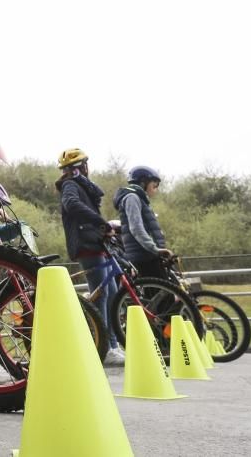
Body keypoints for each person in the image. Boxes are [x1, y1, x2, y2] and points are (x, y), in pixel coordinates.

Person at [56, 149, 125, 365]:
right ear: (81, 166)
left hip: (96, 243)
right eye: (86, 164)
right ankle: (104, 348)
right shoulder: (70, 184)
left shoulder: (83, 185)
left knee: (112, 294)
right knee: (102, 295)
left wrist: (104, 228)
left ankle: (113, 345)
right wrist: (99, 222)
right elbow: (71, 204)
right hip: (87, 244)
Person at [113, 166, 173, 280]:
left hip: (147, 254)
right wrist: (155, 249)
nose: (156, 190)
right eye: (154, 186)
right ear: (143, 182)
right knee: (163, 295)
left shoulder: (139, 199)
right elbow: (136, 228)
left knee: (160, 294)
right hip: (143, 256)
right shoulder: (132, 198)